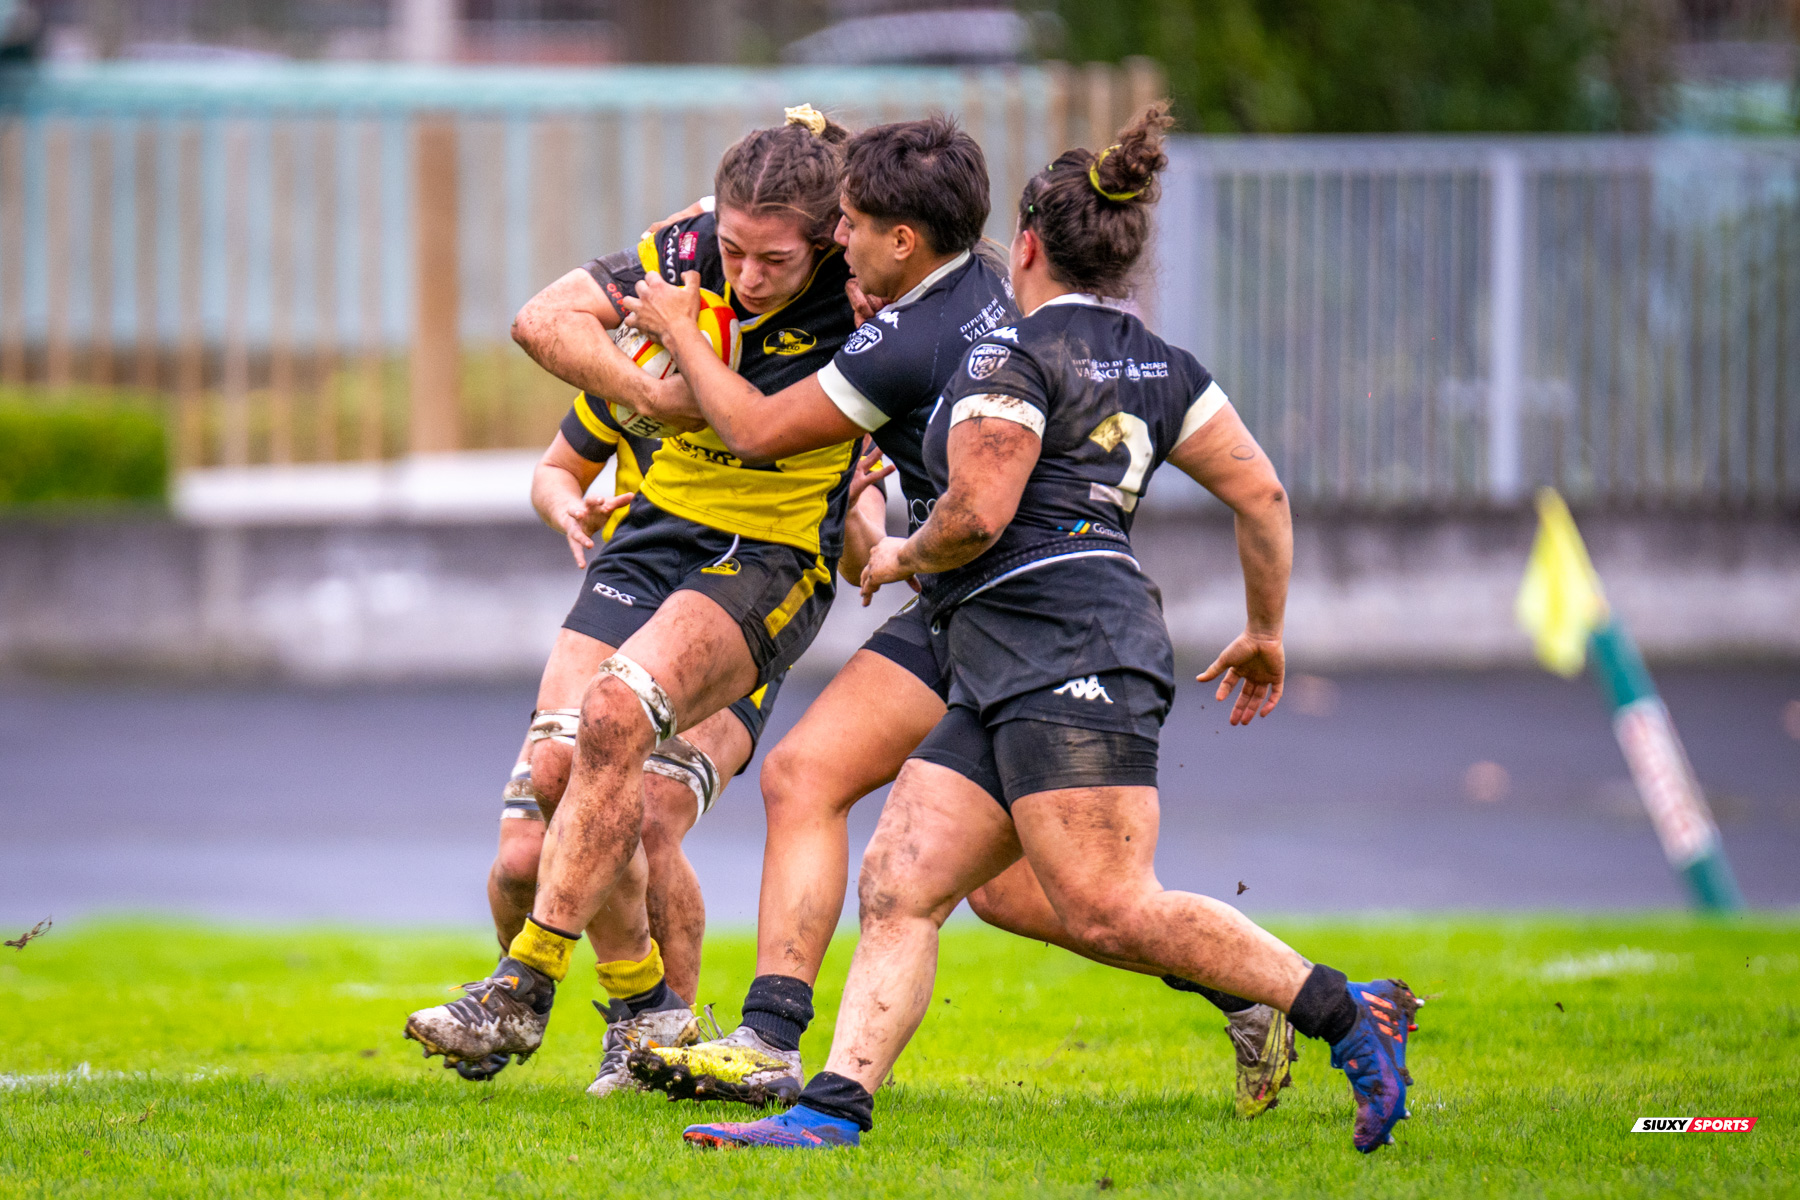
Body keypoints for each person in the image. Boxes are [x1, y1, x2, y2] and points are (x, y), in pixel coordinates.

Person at [683, 103, 1421, 1155]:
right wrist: (1266, 629)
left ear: (1024, 245)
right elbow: (1262, 496)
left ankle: (1354, 1013)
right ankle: (829, 1112)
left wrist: (893, 553)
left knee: (1106, 906)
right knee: (905, 877)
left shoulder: (1006, 358)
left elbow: (979, 510)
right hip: (1017, 650)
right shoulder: (1163, 363)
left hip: (1065, 648)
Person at [403, 105, 877, 1097]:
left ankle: (538, 992)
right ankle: (647, 1021)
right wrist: (646, 393)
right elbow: (540, 323)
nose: (744, 278)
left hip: (766, 559)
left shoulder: (869, 292)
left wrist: (885, 522)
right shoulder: (689, 248)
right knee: (552, 772)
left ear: (829, 240)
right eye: (733, 253)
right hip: (653, 541)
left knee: (646, 798)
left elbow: (784, 428)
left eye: (772, 262)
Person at [440, 392, 788, 1088]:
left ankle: (657, 1040)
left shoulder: (793, 373)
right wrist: (565, 503)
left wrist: (874, 535)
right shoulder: (638, 367)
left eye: (769, 269)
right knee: (523, 853)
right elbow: (554, 469)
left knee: (650, 817)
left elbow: (848, 532)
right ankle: (530, 1006)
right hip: (628, 598)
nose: (744, 276)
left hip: (728, 621)